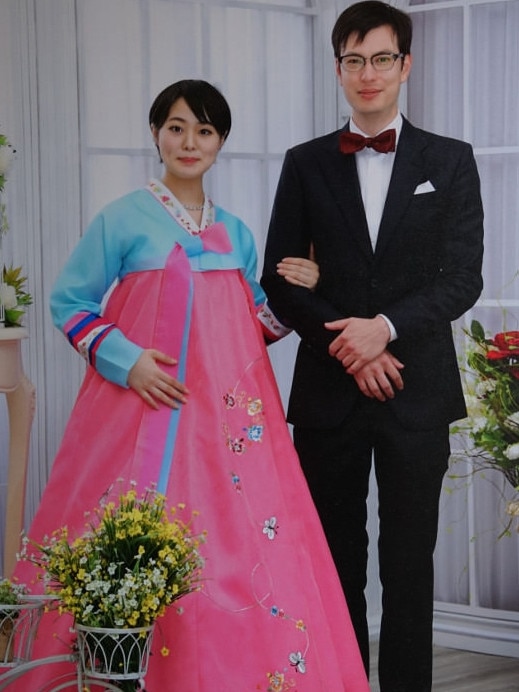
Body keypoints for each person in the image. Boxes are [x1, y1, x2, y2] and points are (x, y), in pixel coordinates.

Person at [13, 80, 369, 691]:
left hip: (230, 433)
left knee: (239, 554)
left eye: (204, 131)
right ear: (156, 133)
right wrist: (129, 361)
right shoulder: (121, 219)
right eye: (176, 127)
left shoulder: (236, 231)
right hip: (142, 414)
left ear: (220, 142)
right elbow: (70, 302)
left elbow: (252, 326)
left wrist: (298, 294)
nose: (189, 142)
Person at [261, 3, 484, 691]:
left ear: (404, 64)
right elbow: (281, 277)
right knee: (334, 563)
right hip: (330, 395)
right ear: (337, 69)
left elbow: (460, 280)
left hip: (416, 390)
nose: (367, 73)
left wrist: (380, 329)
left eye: (381, 58)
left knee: (409, 562)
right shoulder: (303, 165)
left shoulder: (448, 161)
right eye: (353, 60)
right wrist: (351, 347)